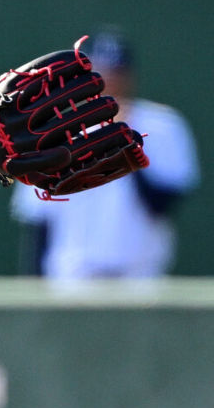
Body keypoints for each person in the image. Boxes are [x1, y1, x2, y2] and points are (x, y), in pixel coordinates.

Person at [11, 29, 200, 280]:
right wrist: (34, 288)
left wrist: (123, 145)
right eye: (98, 73)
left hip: (140, 275)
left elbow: (161, 204)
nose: (108, 80)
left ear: (130, 75)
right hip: (71, 277)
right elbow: (40, 223)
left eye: (116, 72)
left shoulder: (162, 125)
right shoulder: (54, 131)